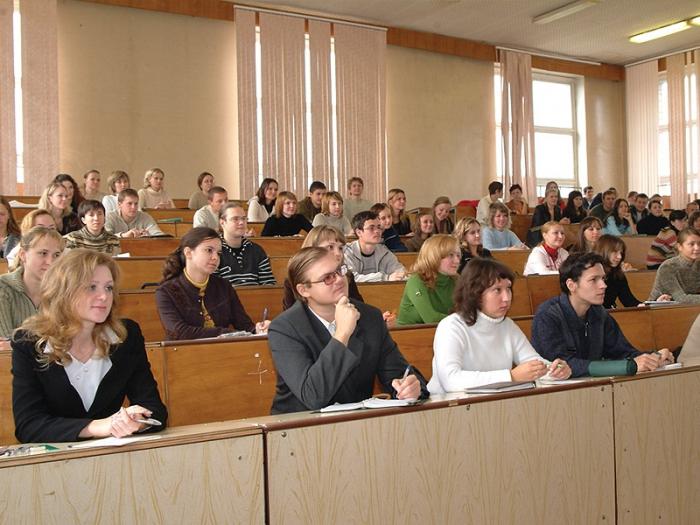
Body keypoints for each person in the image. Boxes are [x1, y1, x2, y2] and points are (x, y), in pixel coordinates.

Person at [11, 249, 167, 443]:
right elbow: (29, 426)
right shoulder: (28, 342)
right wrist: (99, 426)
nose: (104, 296)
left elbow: (155, 409)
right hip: (53, 463)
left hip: (111, 458)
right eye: (91, 287)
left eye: (109, 288)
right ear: (63, 291)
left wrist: (138, 421)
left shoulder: (126, 335)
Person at [268, 246, 429, 414]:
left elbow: (399, 373)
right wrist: (342, 334)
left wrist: (410, 388)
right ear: (304, 290)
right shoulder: (285, 329)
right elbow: (313, 396)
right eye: (328, 278)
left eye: (340, 271)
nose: (339, 279)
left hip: (354, 425)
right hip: (297, 427)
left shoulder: (370, 317)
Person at [427, 258, 571, 394]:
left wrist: (555, 370)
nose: (507, 298)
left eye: (508, 288)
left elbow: (533, 362)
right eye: (497, 290)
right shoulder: (451, 326)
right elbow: (451, 381)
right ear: (475, 293)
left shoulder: (507, 325)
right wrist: (511, 377)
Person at [531, 252, 673, 377]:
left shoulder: (598, 313)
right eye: (594, 280)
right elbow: (561, 365)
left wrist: (654, 357)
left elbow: (623, 352)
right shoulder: (547, 315)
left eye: (603, 279)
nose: (603, 285)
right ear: (571, 285)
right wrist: (628, 366)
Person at [155, 227, 270, 340]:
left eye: (219, 253)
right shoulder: (166, 291)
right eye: (209, 250)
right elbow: (180, 332)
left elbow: (245, 325)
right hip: (184, 355)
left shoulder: (224, 286)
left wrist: (258, 329)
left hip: (221, 353)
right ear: (188, 253)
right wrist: (226, 333)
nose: (215, 257)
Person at [0, 227, 63, 339]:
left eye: (56, 255)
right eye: (43, 253)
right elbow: (4, 342)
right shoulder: (3, 287)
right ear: (23, 255)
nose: (51, 262)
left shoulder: (64, 291)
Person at [282, 225, 363, 310]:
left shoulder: (346, 275)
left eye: (340, 248)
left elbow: (360, 308)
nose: (338, 253)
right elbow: (290, 315)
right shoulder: (294, 280)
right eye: (330, 247)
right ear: (312, 249)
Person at [397, 235, 460, 325]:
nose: (457, 260)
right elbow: (431, 318)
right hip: (410, 335)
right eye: (451, 255)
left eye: (458, 255)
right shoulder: (416, 280)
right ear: (434, 257)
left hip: (446, 332)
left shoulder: (456, 280)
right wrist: (464, 320)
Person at [215, 203, 276, 287]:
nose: (241, 222)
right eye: (235, 219)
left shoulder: (257, 250)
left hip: (256, 298)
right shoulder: (214, 250)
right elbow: (212, 288)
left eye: (244, 219)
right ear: (222, 222)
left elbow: (268, 284)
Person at [344, 211, 406, 282]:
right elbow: (351, 278)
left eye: (379, 227)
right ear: (359, 232)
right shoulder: (348, 251)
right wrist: (385, 277)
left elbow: (400, 270)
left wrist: (401, 275)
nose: (377, 231)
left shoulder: (384, 251)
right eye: (371, 228)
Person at [648, 228, 700, 304]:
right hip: (662, 310)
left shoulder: (698, 263)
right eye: (691, 244)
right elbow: (681, 298)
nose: (697, 248)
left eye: (699, 244)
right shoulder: (668, 267)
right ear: (679, 247)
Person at [593, 235, 642, 308]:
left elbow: (629, 301)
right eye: (615, 252)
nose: (619, 257)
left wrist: (652, 303)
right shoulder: (590, 274)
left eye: (621, 253)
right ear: (604, 251)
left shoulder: (617, 275)